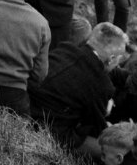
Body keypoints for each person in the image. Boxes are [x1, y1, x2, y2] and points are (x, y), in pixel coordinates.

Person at [27, 21, 128, 158]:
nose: (118, 65)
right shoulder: (102, 85)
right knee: (109, 149)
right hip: (49, 131)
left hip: (25, 106)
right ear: (111, 60)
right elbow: (96, 127)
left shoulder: (65, 48)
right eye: (119, 61)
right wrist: (108, 121)